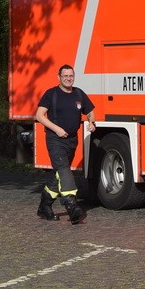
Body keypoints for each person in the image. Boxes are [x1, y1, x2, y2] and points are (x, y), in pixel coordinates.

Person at [35, 64, 95, 223]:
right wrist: (57, 129)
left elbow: (89, 111)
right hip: (55, 140)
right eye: (65, 76)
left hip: (72, 140)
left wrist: (92, 121)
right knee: (64, 169)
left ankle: (44, 206)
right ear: (59, 77)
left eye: (71, 76)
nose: (68, 79)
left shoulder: (79, 93)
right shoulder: (51, 94)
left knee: (60, 174)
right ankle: (71, 205)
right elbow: (40, 115)